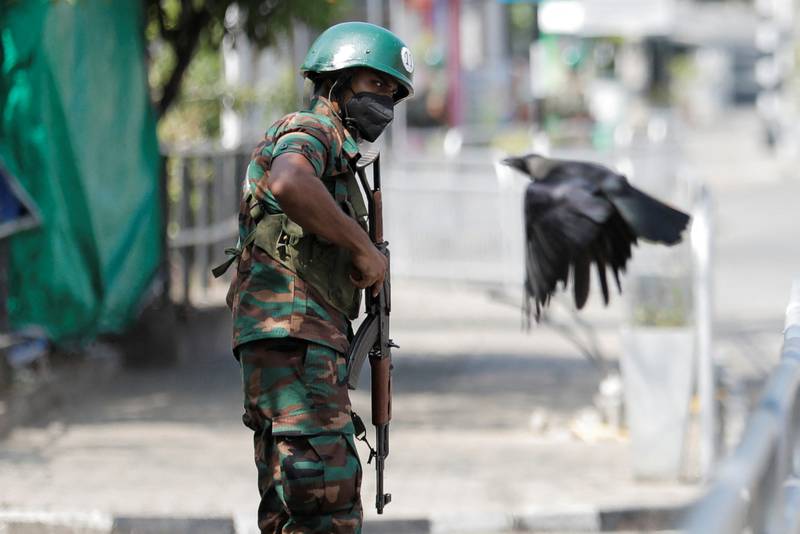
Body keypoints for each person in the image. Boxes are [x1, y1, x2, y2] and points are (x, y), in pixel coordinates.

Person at [218, 21, 414, 534]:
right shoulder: (313, 129)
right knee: (325, 497)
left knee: (295, 507)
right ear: (337, 80)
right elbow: (287, 181)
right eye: (375, 85)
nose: (386, 102)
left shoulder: (338, 153)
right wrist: (361, 247)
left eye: (393, 93)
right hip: (293, 334)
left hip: (298, 338)